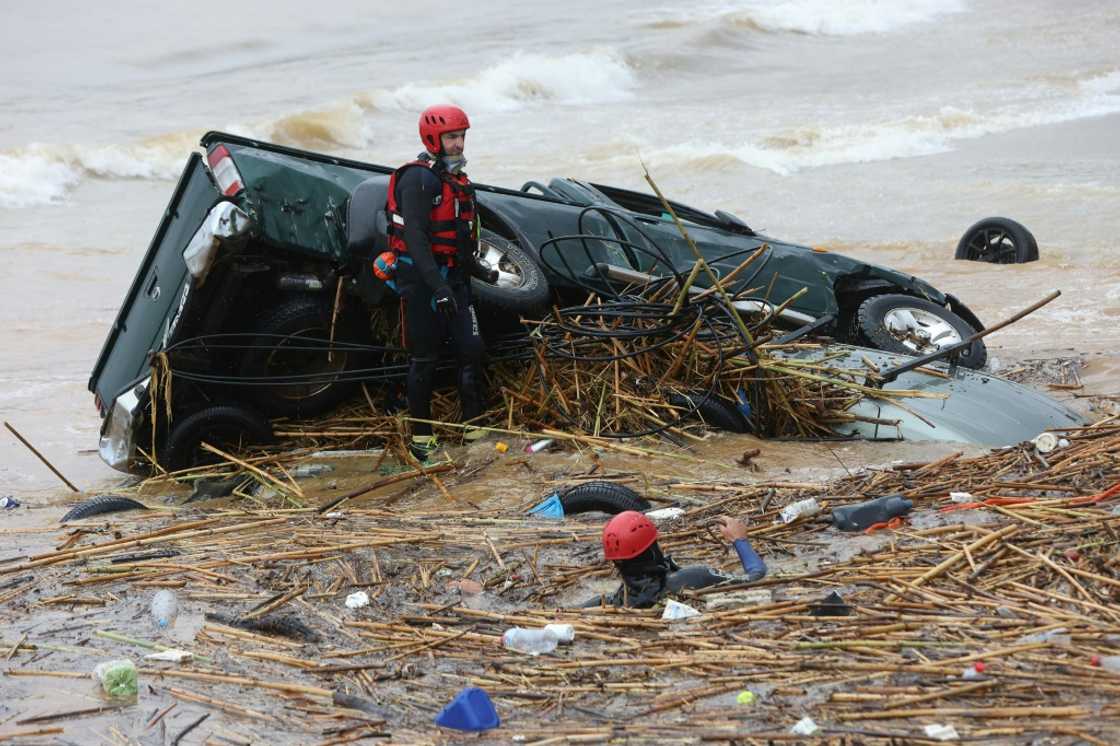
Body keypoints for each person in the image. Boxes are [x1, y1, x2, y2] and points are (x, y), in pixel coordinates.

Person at [385, 105, 498, 461]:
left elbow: (463, 239)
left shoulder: (459, 181)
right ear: (433, 139)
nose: (459, 143)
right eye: (452, 137)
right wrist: (438, 288)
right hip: (423, 282)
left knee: (472, 349)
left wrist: (480, 272)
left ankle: (474, 426)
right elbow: (416, 241)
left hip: (456, 278)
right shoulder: (418, 180)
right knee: (425, 358)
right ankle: (422, 439)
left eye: (462, 135)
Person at [584, 511, 767, 608]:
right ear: (653, 548)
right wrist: (740, 540)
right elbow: (756, 577)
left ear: (616, 561)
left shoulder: (610, 603)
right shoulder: (693, 578)